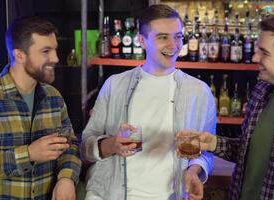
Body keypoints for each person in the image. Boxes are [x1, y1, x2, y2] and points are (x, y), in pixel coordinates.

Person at [178, 14, 274, 199]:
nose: (254, 57)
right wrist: (213, 143)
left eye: (264, 52)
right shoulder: (261, 92)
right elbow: (251, 151)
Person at [81, 4, 216, 200]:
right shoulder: (115, 85)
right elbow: (86, 146)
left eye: (178, 36)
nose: (173, 45)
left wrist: (194, 171)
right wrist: (112, 145)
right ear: (142, 41)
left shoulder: (199, 92)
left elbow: (206, 152)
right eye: (163, 37)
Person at [0, 16, 81, 199]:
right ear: (19, 55)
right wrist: (28, 154)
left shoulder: (53, 97)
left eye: (55, 50)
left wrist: (66, 178)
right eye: (46, 51)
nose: (56, 58)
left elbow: (70, 146)